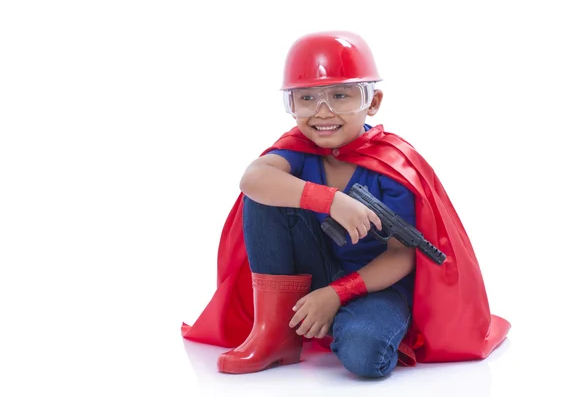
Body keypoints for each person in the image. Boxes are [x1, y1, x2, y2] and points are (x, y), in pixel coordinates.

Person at [181, 30, 510, 378]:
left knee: (365, 354)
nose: (323, 112)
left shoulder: (393, 166)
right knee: (265, 196)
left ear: (373, 101)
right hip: (313, 272)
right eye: (306, 98)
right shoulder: (296, 150)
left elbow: (402, 254)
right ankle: (275, 332)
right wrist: (330, 200)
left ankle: (348, 323)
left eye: (341, 95)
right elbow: (253, 179)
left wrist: (337, 295)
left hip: (375, 286)